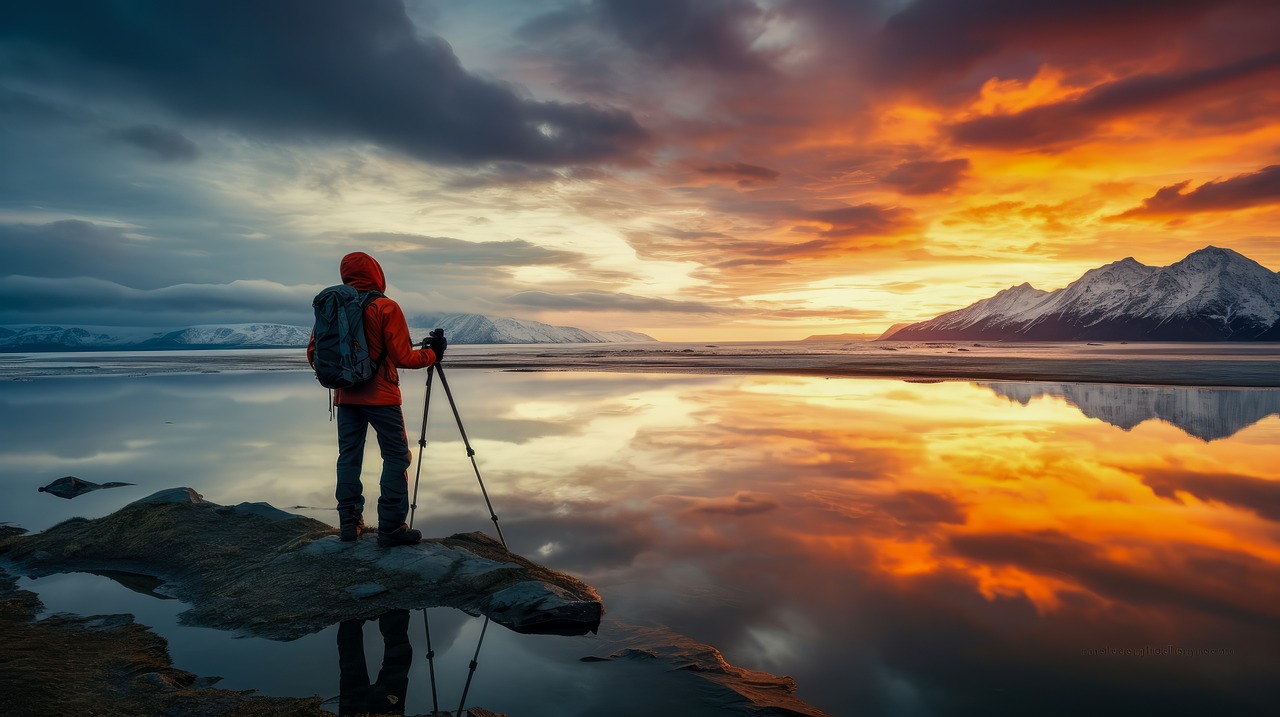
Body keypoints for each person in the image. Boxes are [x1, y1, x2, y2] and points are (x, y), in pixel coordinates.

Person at [307, 252, 445, 547]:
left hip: (345, 396)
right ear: (377, 274)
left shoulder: (333, 307)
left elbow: (313, 355)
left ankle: (349, 522)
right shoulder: (385, 307)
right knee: (396, 457)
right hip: (382, 398)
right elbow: (404, 357)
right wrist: (434, 353)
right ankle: (392, 527)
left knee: (348, 458)